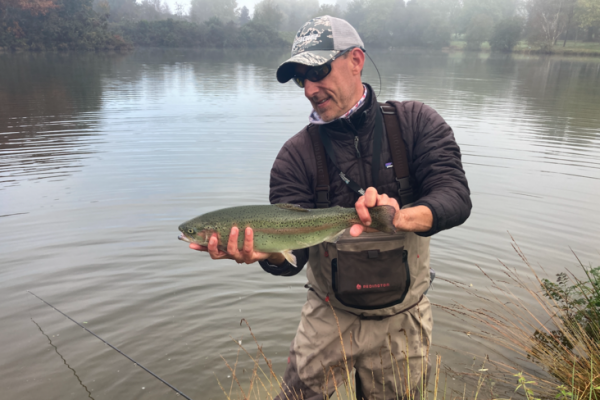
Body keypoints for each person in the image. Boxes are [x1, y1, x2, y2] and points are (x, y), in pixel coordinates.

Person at [189, 16, 471, 400]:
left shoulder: (415, 123)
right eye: (300, 78)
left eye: (318, 71)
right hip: (328, 315)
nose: (308, 88)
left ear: (356, 60)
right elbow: (295, 257)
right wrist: (265, 256)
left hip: (403, 319)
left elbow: (455, 196)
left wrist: (402, 217)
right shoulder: (295, 156)